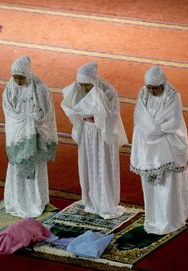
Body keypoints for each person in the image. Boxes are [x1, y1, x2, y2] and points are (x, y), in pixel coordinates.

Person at [61, 62, 128, 219]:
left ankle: (106, 203)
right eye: (82, 84)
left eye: (87, 85)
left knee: (102, 165)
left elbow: (112, 116)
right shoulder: (78, 90)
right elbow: (73, 109)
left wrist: (98, 106)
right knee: (89, 165)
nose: (84, 88)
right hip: (87, 132)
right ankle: (91, 201)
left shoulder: (108, 92)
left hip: (101, 133)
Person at [130, 65, 188, 235]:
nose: (152, 91)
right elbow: (139, 116)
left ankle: (171, 220)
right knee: (151, 185)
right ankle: (154, 219)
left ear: (163, 84)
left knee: (167, 184)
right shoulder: (143, 93)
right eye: (150, 87)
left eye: (155, 88)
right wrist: (150, 132)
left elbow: (174, 122)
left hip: (168, 145)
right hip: (148, 148)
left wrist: (153, 132)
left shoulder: (173, 96)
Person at [2, 56, 58, 218]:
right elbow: (9, 111)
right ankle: (17, 201)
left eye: (21, 77)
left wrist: (33, 120)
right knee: (17, 168)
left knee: (35, 168)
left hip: (34, 136)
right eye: (15, 77)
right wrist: (23, 121)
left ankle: (36, 201)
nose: (18, 80)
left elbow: (46, 112)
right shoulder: (10, 88)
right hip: (18, 137)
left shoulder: (39, 88)